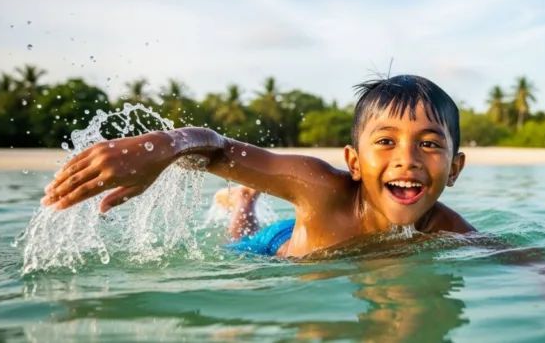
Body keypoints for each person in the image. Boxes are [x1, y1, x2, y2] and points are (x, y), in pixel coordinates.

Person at [41, 74, 476, 258]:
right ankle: (243, 203)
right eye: (385, 141)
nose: (407, 158)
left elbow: (524, 259)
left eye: (429, 144)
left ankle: (245, 199)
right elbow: (216, 148)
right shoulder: (318, 187)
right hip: (279, 248)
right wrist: (162, 146)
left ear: (453, 169)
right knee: (240, 244)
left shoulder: (447, 229)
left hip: (314, 240)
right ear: (354, 162)